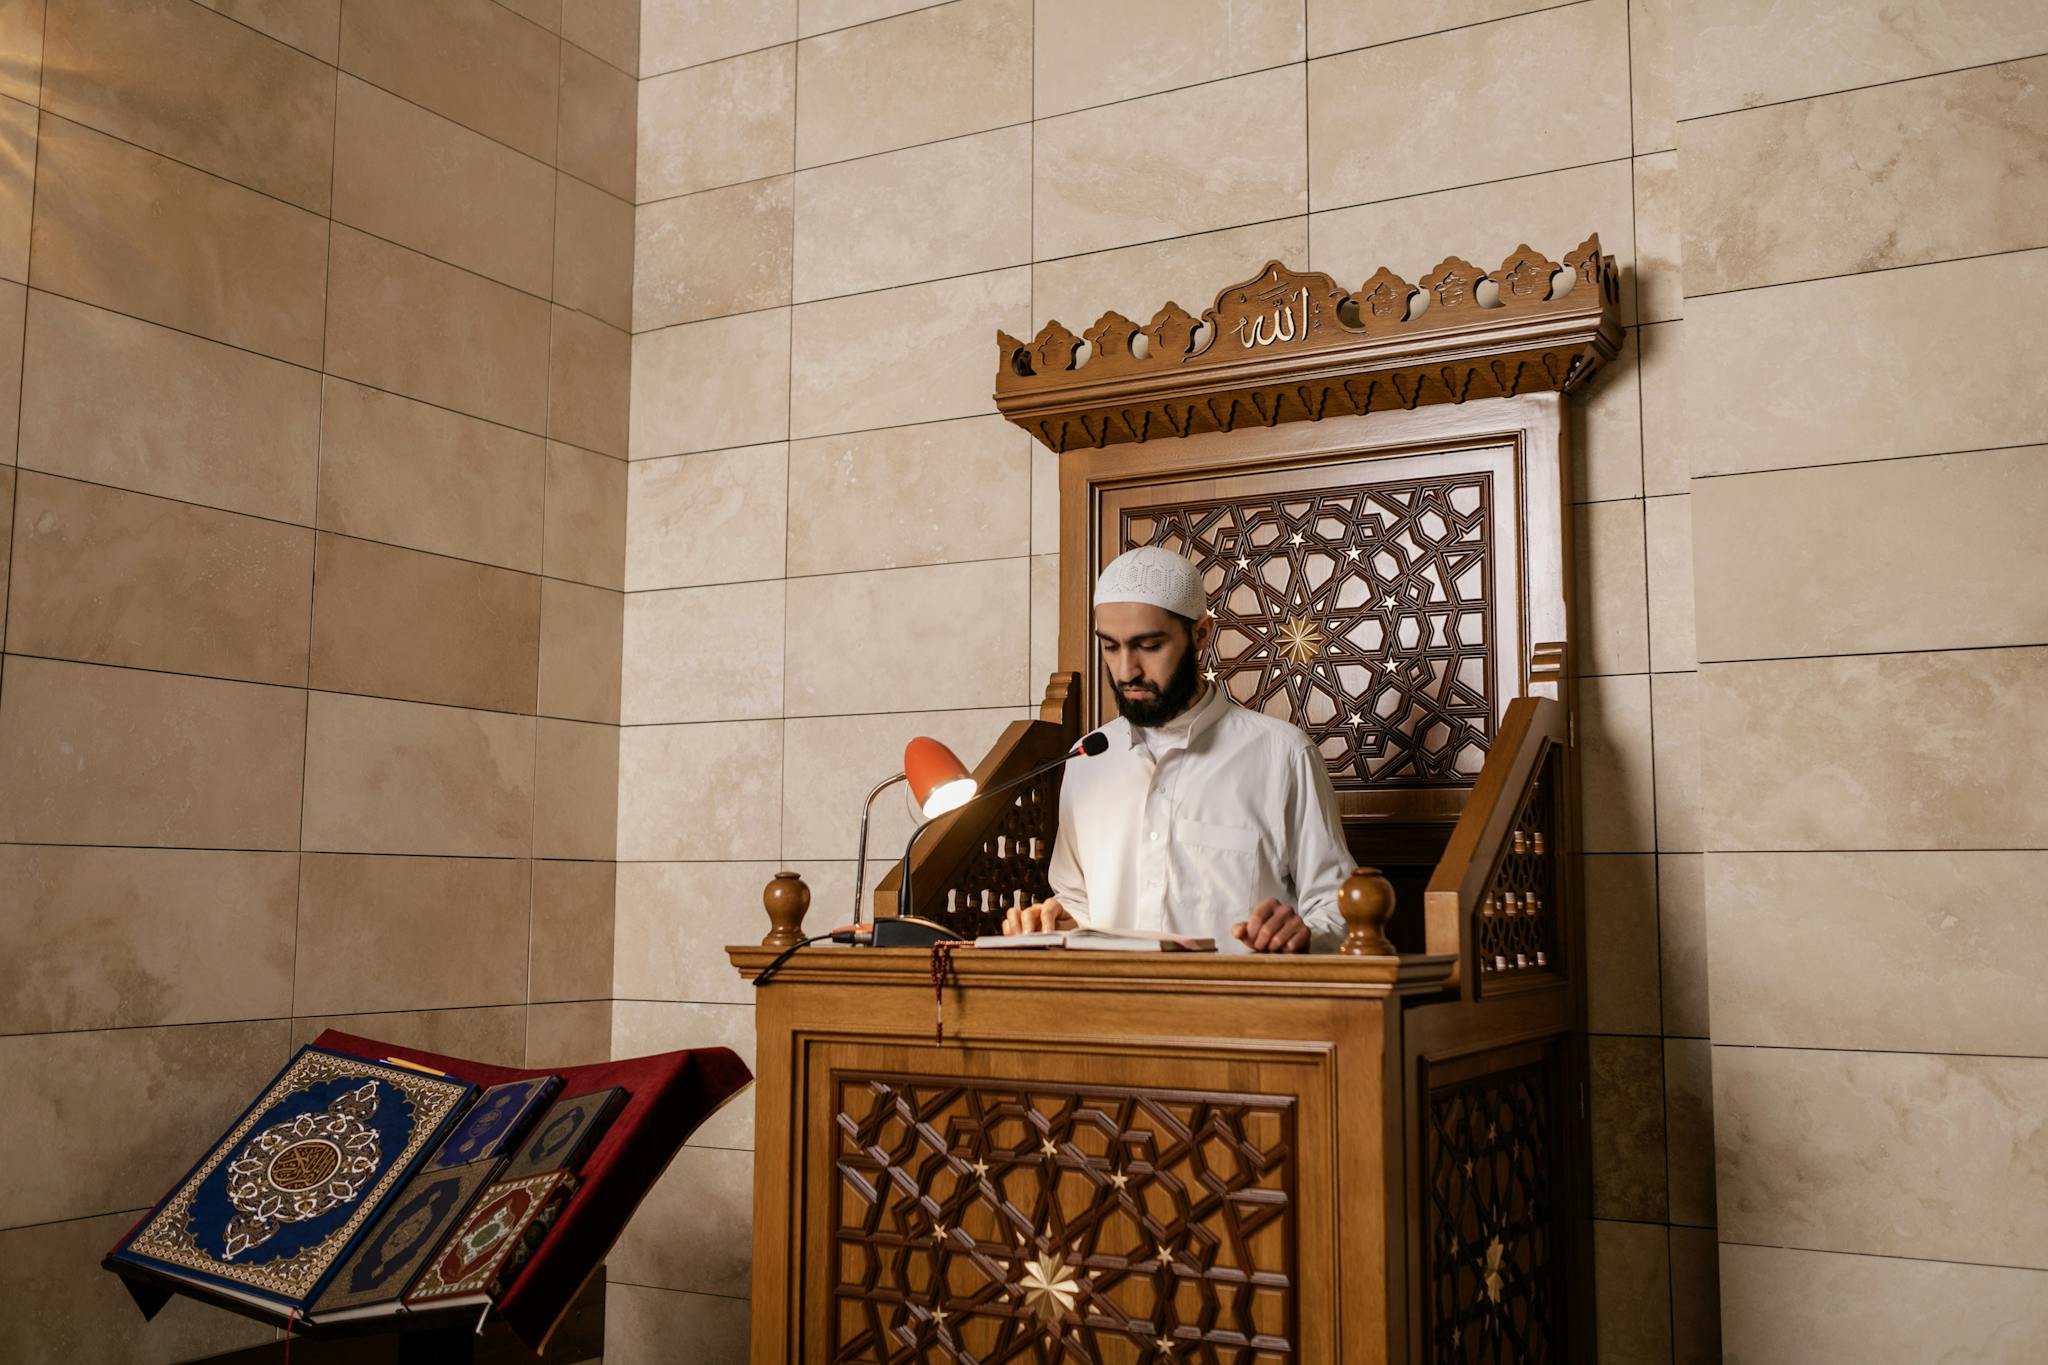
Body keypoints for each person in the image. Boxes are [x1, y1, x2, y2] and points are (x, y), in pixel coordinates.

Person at [1002, 545, 1355, 953]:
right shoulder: (1087, 758)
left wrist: (1303, 933)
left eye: (1148, 646)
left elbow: (1339, 909)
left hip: (1239, 1012)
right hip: (1110, 1010)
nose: (1125, 670)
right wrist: (1058, 921)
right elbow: (1078, 900)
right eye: (1111, 647)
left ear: (1201, 634)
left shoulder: (1283, 756)